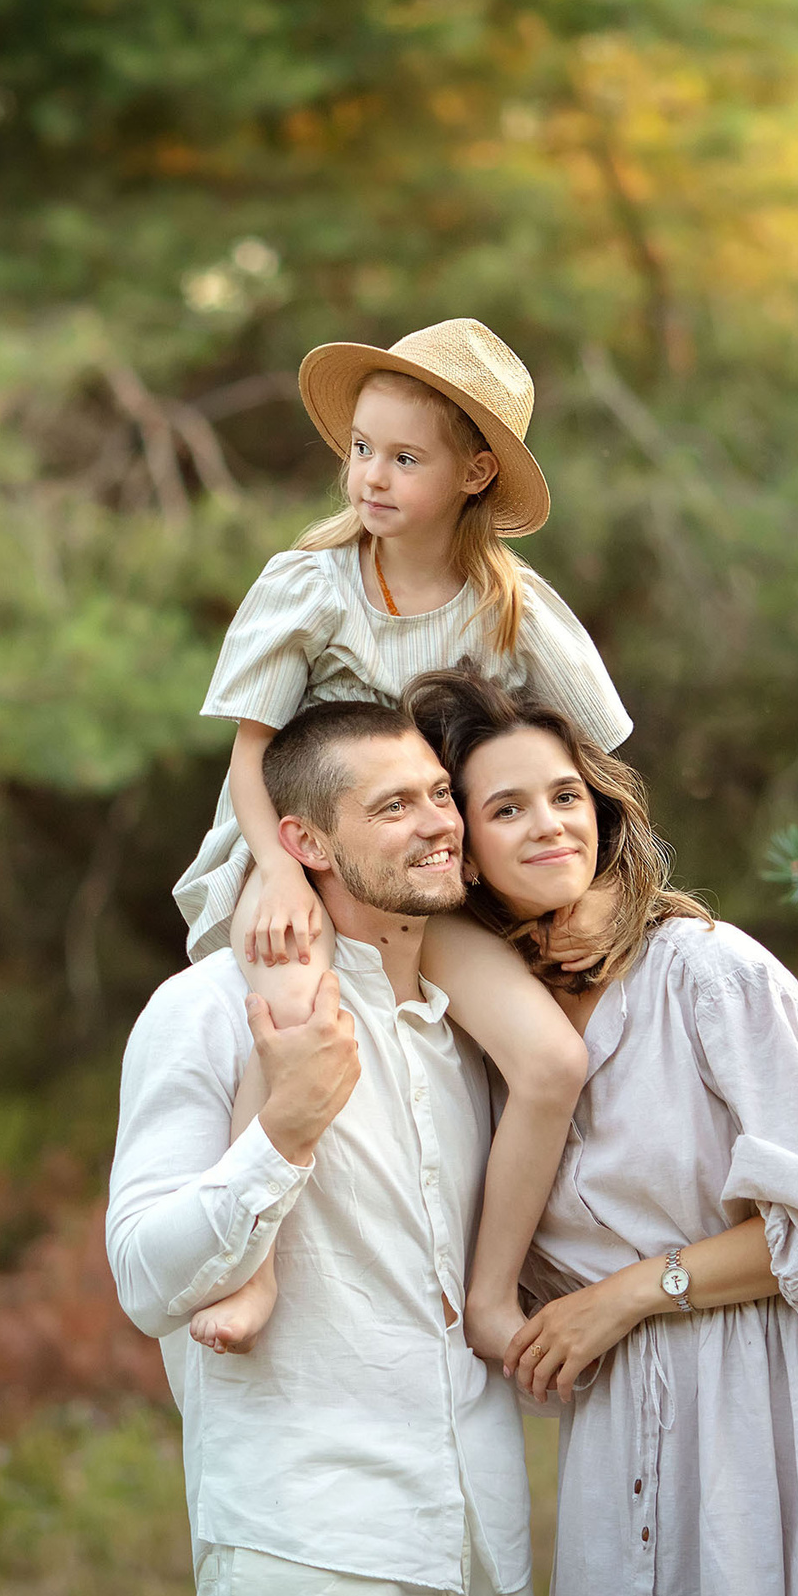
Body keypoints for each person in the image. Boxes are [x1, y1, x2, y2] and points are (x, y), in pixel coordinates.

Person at [404, 665, 798, 1596]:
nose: (550, 824)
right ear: (469, 853)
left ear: (603, 812)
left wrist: (622, 1296)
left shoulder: (707, 973)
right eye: (508, 808)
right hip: (616, 1437)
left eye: (566, 795)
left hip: (772, 1415)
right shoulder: (498, 1042)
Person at [173, 317, 630, 1362]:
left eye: (404, 458)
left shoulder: (508, 608)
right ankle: (254, 1264)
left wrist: (599, 882)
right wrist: (280, 871)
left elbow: (595, 759)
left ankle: (489, 1292)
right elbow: (250, 758)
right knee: (284, 994)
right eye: (361, 450)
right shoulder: (311, 584)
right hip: (299, 846)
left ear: (474, 474)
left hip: (429, 882)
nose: (370, 478)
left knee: (552, 1060)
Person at [107, 698, 537, 1596]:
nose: (439, 823)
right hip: (311, 1552)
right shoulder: (207, 1012)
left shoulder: (481, 1029)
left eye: (438, 793)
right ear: (301, 840)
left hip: (485, 1543)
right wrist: (284, 1131)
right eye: (392, 808)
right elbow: (144, 1279)